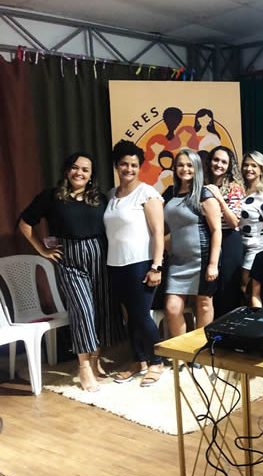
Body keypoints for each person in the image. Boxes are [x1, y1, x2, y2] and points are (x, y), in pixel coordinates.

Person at [19, 152, 122, 391]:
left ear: (91, 175)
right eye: (75, 168)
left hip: (100, 256)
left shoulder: (99, 198)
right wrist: (42, 250)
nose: (79, 173)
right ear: (67, 170)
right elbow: (25, 223)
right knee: (82, 310)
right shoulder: (51, 196)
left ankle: (95, 361)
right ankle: (83, 367)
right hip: (70, 260)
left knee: (101, 309)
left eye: (85, 170)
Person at [104, 140, 165, 387]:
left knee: (141, 315)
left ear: (140, 167)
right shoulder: (111, 195)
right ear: (116, 166)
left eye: (134, 165)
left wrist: (156, 266)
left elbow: (158, 232)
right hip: (115, 265)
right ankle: (138, 360)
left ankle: (156, 362)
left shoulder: (147, 193)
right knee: (129, 317)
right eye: (124, 164)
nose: (129, 169)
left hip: (141, 263)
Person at [163, 149, 222, 337]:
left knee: (204, 304)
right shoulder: (169, 193)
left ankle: (200, 349)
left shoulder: (204, 194)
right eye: (180, 165)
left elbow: (216, 230)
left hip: (202, 258)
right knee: (172, 308)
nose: (185, 169)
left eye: (189, 165)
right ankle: (181, 350)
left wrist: (213, 264)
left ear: (197, 168)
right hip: (177, 262)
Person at [204, 145, 246, 317]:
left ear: (229, 166)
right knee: (208, 291)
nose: (219, 165)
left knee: (228, 291)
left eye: (224, 162)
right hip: (207, 238)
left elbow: (235, 222)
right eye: (216, 160)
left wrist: (219, 199)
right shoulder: (201, 184)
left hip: (229, 240)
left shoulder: (234, 188)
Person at [239, 151, 263, 298]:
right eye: (246, 165)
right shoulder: (240, 190)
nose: (249, 169)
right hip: (239, 245)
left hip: (256, 247)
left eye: (254, 165)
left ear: (261, 169)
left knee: (247, 289)